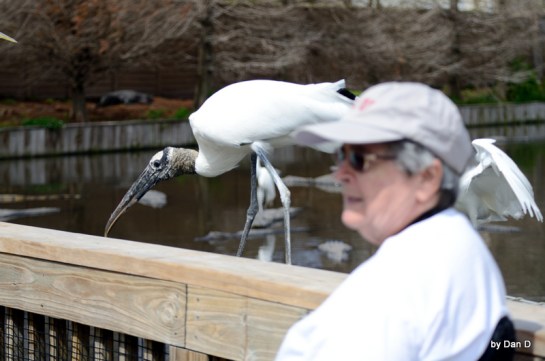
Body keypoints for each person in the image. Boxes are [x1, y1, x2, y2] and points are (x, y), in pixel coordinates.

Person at [275, 82, 515, 360]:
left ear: (426, 178)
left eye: (359, 158)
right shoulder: (459, 248)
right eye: (341, 154)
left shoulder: (391, 292)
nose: (340, 173)